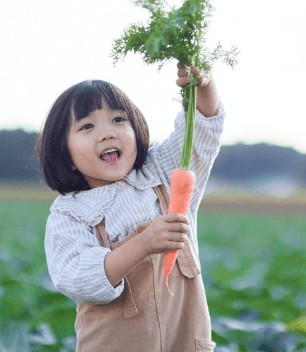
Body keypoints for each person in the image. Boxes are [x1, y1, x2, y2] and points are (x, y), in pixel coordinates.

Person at [37, 62, 224, 351]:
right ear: (67, 155)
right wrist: (144, 243)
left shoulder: (160, 172)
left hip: (184, 340)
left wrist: (204, 87)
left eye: (118, 120)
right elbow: (78, 279)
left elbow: (201, 132)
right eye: (87, 126)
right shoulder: (69, 213)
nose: (107, 133)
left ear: (136, 130)